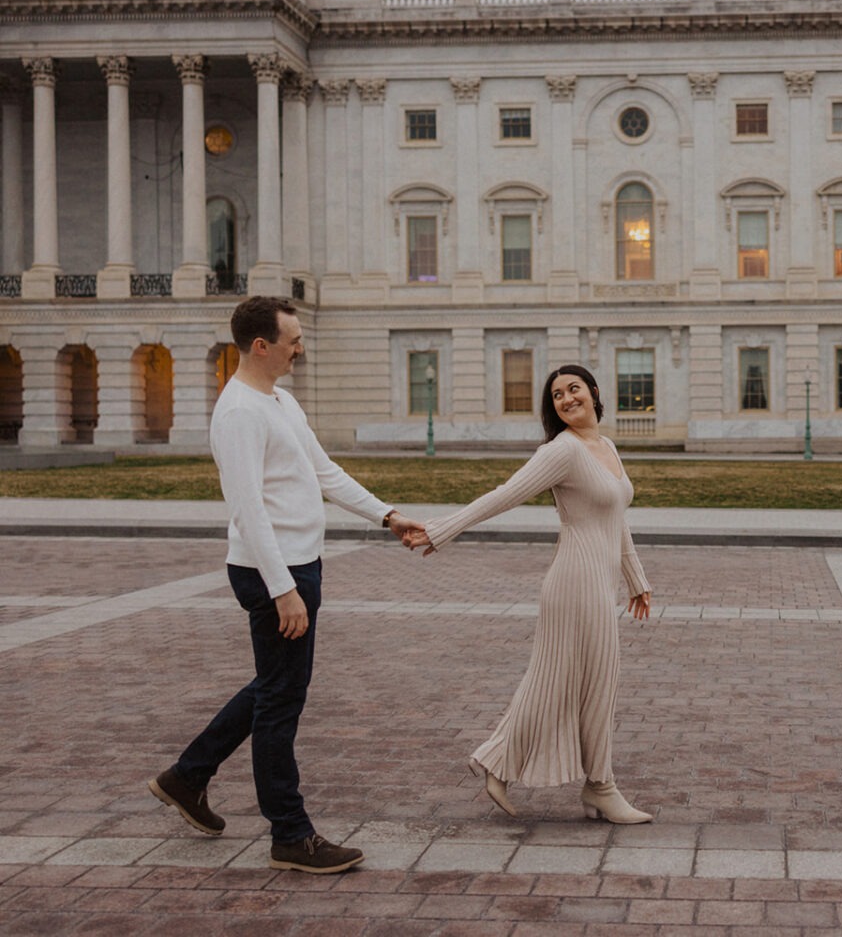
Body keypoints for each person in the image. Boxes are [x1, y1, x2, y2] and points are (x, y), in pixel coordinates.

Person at [148, 295, 424, 874]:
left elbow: (323, 471)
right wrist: (282, 589)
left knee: (274, 688)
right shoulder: (239, 413)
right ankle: (289, 835)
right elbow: (248, 509)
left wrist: (385, 514)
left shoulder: (281, 401)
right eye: (294, 340)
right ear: (261, 346)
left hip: (300, 565)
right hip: (273, 573)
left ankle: (187, 776)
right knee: (281, 702)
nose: (301, 348)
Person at [404, 364, 654, 824]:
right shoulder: (563, 451)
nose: (566, 399)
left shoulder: (607, 447)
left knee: (596, 684)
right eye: (557, 395)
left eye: (573, 389)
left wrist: (636, 578)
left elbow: (616, 518)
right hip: (573, 582)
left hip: (600, 582)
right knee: (558, 682)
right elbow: (504, 495)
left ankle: (589, 785)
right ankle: (596, 785)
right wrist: (443, 529)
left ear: (594, 392)